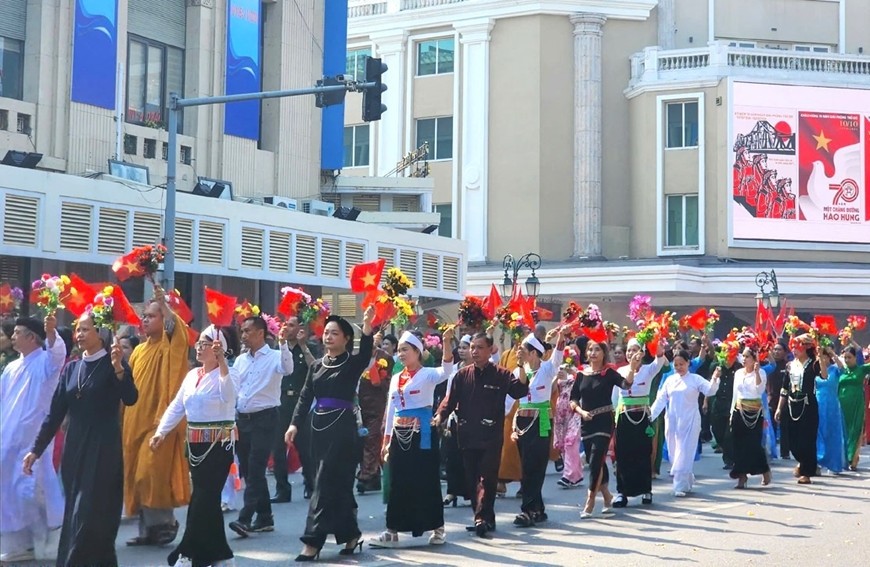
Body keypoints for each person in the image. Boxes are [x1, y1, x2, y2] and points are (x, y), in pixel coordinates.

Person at [24, 314, 137, 566]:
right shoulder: (71, 368)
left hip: (103, 448)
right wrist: (36, 450)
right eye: (78, 329)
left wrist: (119, 368)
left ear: (101, 333)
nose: (80, 334)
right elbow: (54, 415)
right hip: (74, 449)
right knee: (75, 513)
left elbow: (130, 398)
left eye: (86, 329)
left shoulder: (113, 364)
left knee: (87, 513)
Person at [284, 307, 374, 561]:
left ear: (346, 338)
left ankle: (312, 541)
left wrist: (367, 327)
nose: (329, 337)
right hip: (317, 429)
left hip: (343, 430)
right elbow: (304, 398)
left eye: (335, 333)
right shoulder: (316, 367)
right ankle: (350, 534)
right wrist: (294, 425)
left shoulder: (352, 363)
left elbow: (366, 352)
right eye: (326, 333)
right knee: (336, 485)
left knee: (324, 483)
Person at [151, 326, 239, 567]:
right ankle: (222, 554)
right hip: (195, 446)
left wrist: (222, 364)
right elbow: (178, 406)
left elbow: (228, 396)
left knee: (203, 499)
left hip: (219, 445)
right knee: (207, 501)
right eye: (199, 342)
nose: (200, 347)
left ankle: (188, 553)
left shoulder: (230, 373)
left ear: (219, 348)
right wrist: (162, 432)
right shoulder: (192, 375)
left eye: (206, 343)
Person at [435, 333, 529, 539]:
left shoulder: (502, 374)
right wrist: (440, 416)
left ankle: (481, 519)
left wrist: (521, 365)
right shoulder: (462, 375)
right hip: (467, 435)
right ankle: (485, 517)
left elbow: (520, 390)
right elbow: (449, 401)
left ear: (490, 350)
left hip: (491, 436)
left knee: (487, 479)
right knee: (472, 480)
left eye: (479, 347)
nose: (474, 352)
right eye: (472, 348)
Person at [373, 329, 455, 547]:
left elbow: (447, 369)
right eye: (399, 350)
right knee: (398, 482)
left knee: (426, 480)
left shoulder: (428, 374)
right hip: (400, 435)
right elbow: (391, 409)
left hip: (422, 435)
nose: (401, 354)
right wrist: (386, 440)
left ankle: (438, 528)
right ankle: (392, 531)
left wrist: (446, 342)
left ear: (418, 352)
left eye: (405, 350)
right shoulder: (397, 377)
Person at [123, 287, 190, 546]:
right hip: (134, 423)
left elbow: (178, 329)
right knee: (136, 477)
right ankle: (148, 531)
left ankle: (166, 522)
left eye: (152, 316)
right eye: (145, 316)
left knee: (149, 473)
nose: (145, 319)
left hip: (159, 422)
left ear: (163, 319)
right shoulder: (139, 351)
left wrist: (164, 304)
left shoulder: (169, 343)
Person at [0, 317, 66, 563]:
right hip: (7, 439)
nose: (12, 336)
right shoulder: (11, 367)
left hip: (33, 440)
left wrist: (51, 333)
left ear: (32, 338)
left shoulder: (46, 362)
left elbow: (58, 353)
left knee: (30, 489)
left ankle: (52, 527)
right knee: (9, 491)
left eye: (17, 332)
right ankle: (21, 544)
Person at [228, 316, 293, 537]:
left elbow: (288, 368)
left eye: (247, 331)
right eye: (242, 331)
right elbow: (234, 387)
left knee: (256, 467)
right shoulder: (240, 360)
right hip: (242, 419)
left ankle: (245, 518)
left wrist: (283, 343)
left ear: (260, 333)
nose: (243, 335)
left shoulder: (275, 356)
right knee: (248, 469)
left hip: (265, 418)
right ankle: (265, 517)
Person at [570, 339, 633, 517]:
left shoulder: (609, 373)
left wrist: (633, 368)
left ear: (604, 353)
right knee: (593, 460)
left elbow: (626, 385)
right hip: (586, 421)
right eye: (590, 350)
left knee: (597, 458)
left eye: (597, 350)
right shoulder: (581, 375)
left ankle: (590, 501)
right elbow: (573, 399)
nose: (593, 353)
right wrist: (581, 412)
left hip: (604, 421)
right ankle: (607, 495)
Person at [511, 328, 565, 527]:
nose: (519, 353)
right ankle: (538, 509)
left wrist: (561, 337)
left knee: (536, 465)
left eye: (523, 350)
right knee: (526, 466)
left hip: (541, 420)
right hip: (522, 422)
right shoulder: (518, 371)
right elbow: (511, 397)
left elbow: (558, 356)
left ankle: (526, 510)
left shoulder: (547, 369)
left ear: (533, 352)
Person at [649, 349, 721, 496]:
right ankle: (686, 477)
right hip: (673, 420)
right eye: (676, 365)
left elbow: (710, 391)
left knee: (685, 451)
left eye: (681, 364)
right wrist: (650, 415)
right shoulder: (669, 380)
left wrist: (715, 378)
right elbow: (660, 400)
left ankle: (679, 485)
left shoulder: (695, 379)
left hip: (690, 420)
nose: (679, 367)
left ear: (688, 363)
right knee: (675, 451)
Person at [613, 339, 666, 507]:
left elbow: (660, 357)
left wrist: (652, 336)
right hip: (624, 416)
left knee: (643, 452)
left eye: (635, 350)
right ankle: (622, 492)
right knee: (622, 454)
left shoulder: (648, 370)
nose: (631, 353)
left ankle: (646, 490)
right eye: (629, 350)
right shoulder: (621, 371)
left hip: (642, 416)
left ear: (642, 353)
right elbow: (616, 395)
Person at [271, 317, 315, 504]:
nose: (287, 328)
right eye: (285, 325)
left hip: (301, 402)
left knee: (305, 447)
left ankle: (310, 485)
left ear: (300, 328)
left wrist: (304, 346)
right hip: (280, 401)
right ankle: (282, 489)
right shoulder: (278, 349)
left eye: (291, 325)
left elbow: (316, 367)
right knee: (278, 447)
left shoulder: (310, 346)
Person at [775, 335, 819, 484]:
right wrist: (779, 408)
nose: (794, 350)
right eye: (793, 347)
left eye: (797, 347)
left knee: (807, 440)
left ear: (806, 347)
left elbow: (824, 375)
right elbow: (784, 389)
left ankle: (807, 472)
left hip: (808, 406)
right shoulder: (790, 365)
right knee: (793, 441)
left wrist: (822, 359)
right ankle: (803, 462)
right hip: (792, 405)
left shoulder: (814, 364)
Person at [729, 348, 771, 488]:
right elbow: (735, 393)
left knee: (753, 444)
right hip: (739, 410)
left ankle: (764, 469)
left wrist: (758, 372)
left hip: (754, 412)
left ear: (754, 358)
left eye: (747, 356)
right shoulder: (739, 373)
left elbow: (759, 390)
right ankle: (741, 476)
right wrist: (731, 412)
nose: (744, 359)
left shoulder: (761, 372)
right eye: (744, 356)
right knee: (738, 444)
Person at [356, 333, 391, 495]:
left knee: (372, 439)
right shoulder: (359, 357)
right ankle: (375, 477)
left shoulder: (384, 358)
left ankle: (365, 475)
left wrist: (379, 379)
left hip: (378, 406)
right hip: (360, 405)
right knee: (364, 440)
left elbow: (390, 382)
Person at [441, 334, 472, 506]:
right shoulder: (454, 369)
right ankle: (452, 491)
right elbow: (448, 393)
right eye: (459, 347)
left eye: (465, 347)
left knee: (468, 456)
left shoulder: (477, 369)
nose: (461, 351)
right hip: (454, 416)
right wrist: (445, 415)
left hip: (471, 417)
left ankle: (470, 491)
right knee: (452, 455)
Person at [553, 356, 584, 489]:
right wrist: (556, 376)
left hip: (575, 412)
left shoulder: (579, 374)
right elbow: (552, 389)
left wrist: (572, 372)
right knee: (562, 444)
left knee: (570, 441)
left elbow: (583, 381)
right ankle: (575, 475)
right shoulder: (558, 376)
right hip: (561, 415)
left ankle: (568, 475)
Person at [815, 347, 845, 475]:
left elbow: (842, 367)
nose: (822, 359)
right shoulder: (816, 371)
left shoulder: (834, 370)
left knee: (832, 433)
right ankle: (818, 462)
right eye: (820, 357)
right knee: (819, 433)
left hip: (832, 405)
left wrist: (832, 352)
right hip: (818, 403)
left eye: (825, 357)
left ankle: (833, 464)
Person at [838, 346, 869, 470]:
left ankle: (853, 458)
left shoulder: (861, 370)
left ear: (856, 358)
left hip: (856, 405)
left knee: (854, 430)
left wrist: (852, 341)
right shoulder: (841, 370)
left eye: (849, 357)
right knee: (843, 430)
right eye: (845, 357)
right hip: (841, 405)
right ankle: (844, 457)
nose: (847, 360)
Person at [710, 356, 740, 470]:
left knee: (729, 434)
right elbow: (710, 385)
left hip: (732, 402)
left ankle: (729, 460)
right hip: (718, 402)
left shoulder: (738, 368)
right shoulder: (716, 367)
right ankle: (726, 449)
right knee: (717, 430)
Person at [762, 340, 791, 459]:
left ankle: (785, 452)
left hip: (785, 399)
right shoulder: (768, 365)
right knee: (770, 427)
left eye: (779, 349)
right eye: (775, 349)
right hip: (771, 399)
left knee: (785, 427)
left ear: (785, 352)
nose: (776, 352)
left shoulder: (788, 365)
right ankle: (771, 452)